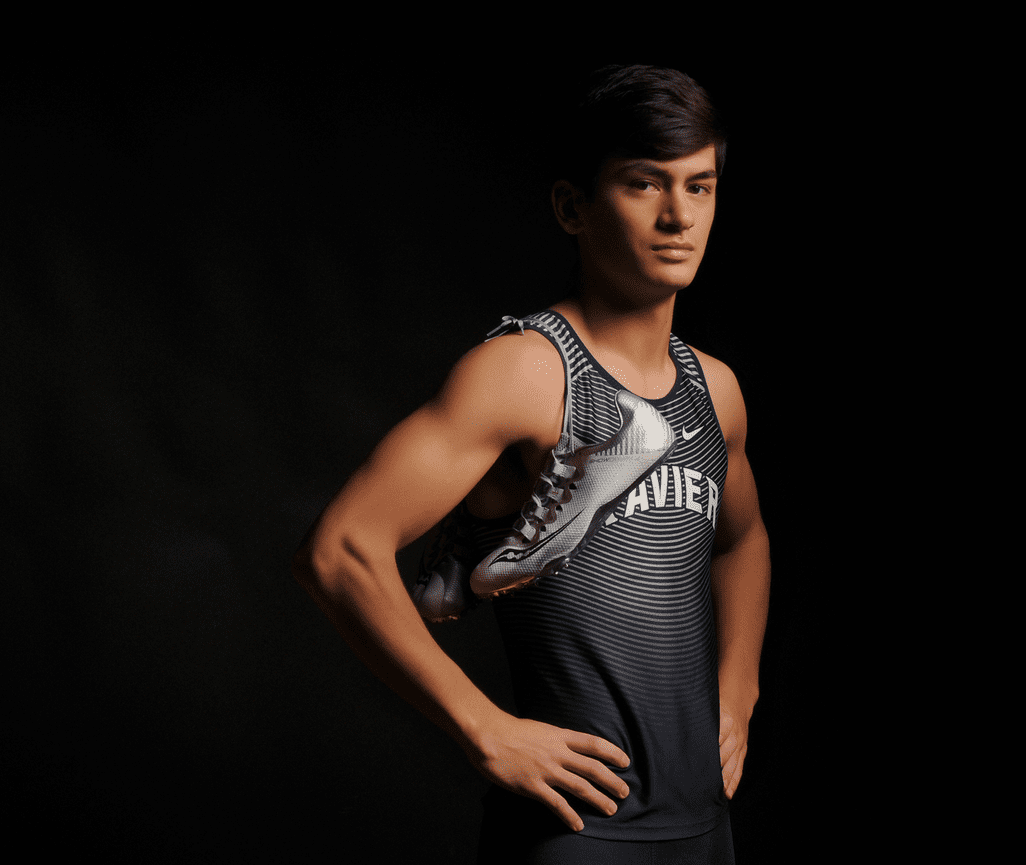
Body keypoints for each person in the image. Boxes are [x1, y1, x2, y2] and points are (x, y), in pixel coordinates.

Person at [292, 65, 770, 864]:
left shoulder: (714, 388)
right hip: (579, 832)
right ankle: (489, 517)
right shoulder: (522, 370)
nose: (678, 216)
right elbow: (338, 551)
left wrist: (741, 687)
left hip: (703, 824)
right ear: (573, 207)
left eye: (701, 186)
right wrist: (486, 730)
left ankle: (489, 521)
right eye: (643, 184)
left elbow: (745, 542)